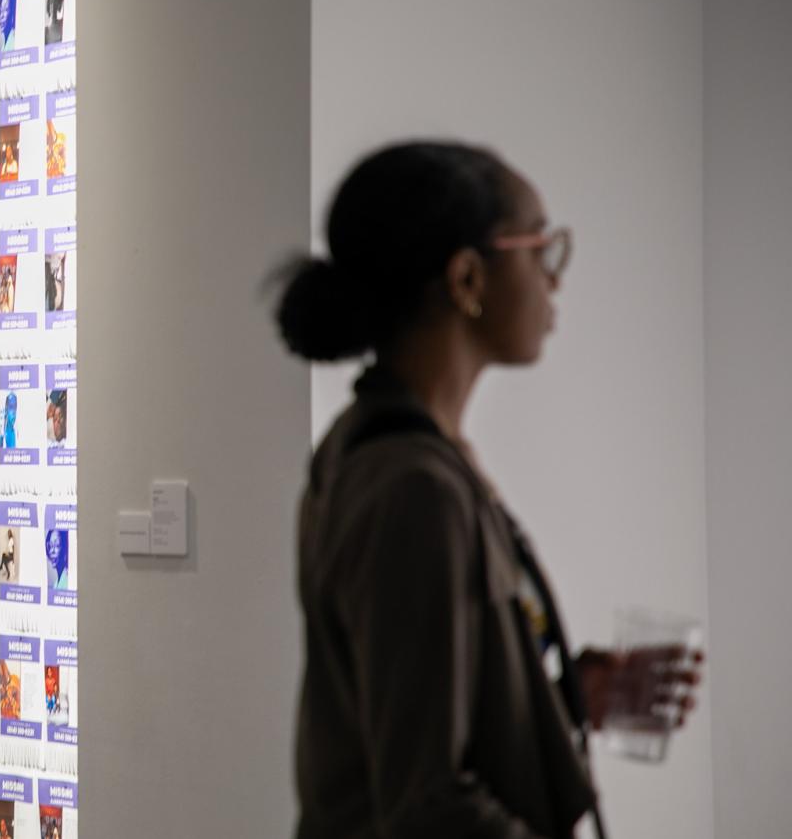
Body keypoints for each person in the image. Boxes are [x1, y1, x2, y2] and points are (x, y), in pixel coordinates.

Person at [276, 142, 703, 839]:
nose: (554, 282)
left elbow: (425, 708)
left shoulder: (386, 448)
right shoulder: (413, 488)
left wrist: (566, 695)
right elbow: (428, 804)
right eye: (542, 249)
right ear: (468, 279)